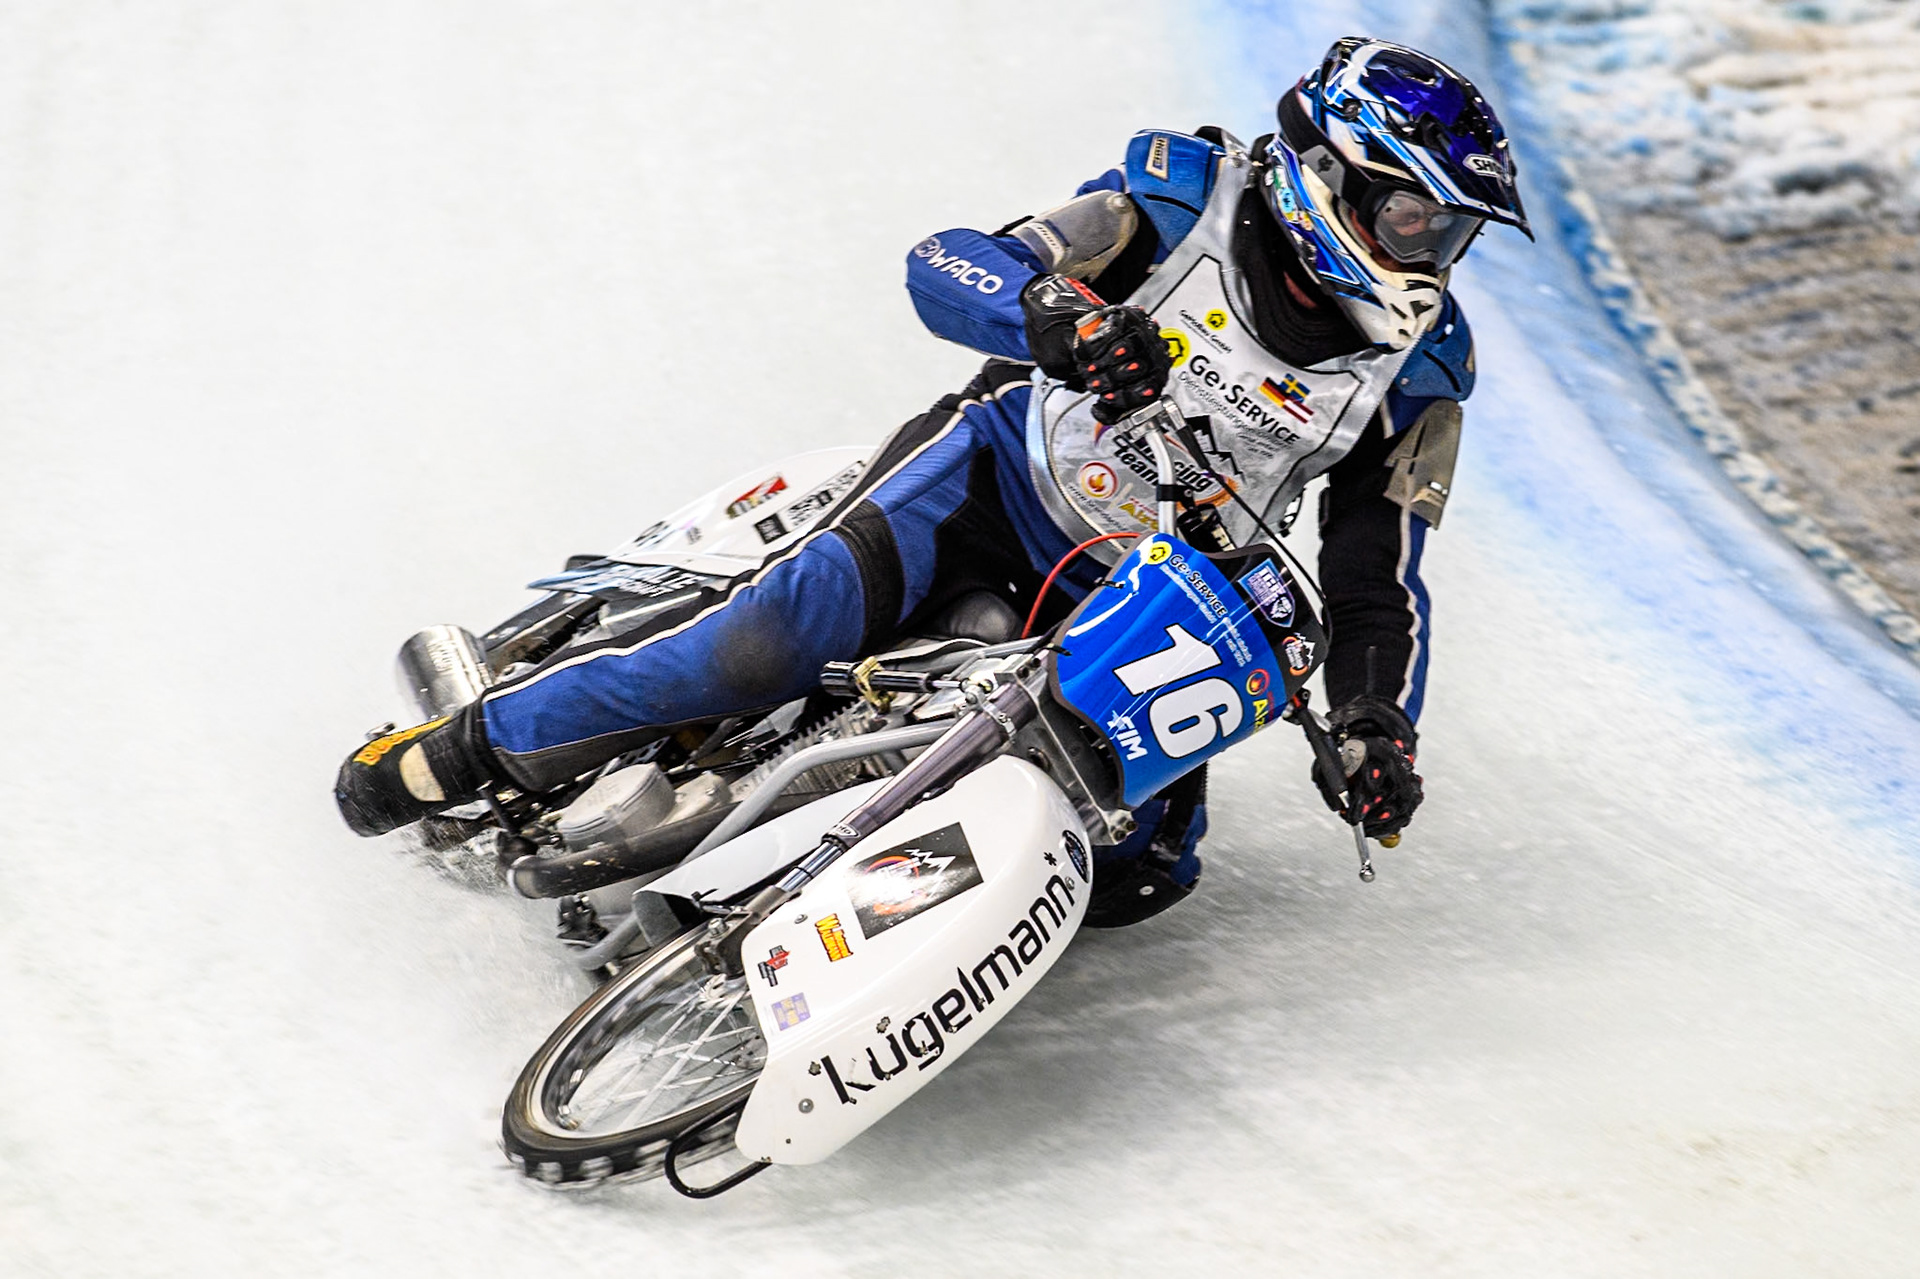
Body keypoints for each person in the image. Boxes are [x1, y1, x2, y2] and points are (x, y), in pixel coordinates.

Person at [336, 37, 1531, 925]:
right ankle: (466, 747)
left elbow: (1379, 578)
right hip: (992, 481)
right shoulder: (1179, 202)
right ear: (1331, 174)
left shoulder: (1425, 373)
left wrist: (1377, 725)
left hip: (1152, 603)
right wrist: (1058, 317)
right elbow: (950, 262)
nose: (1432, 256)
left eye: (1451, 234)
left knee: (1137, 873)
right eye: (1415, 219)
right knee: (760, 645)